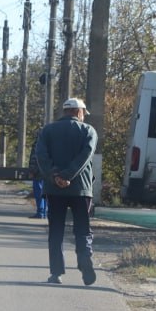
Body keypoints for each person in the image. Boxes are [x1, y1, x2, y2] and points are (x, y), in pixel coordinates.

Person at [35, 97, 98, 286]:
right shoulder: (88, 131)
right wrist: (69, 175)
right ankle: (85, 260)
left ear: (64, 112)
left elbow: (41, 156)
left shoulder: (47, 130)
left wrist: (56, 176)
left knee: (56, 231)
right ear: (79, 112)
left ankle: (56, 273)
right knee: (82, 229)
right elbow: (86, 155)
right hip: (81, 189)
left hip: (55, 189)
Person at [27, 133, 47, 219]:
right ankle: (45, 212)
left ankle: (40, 212)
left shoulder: (38, 144)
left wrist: (32, 171)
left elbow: (34, 158)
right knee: (46, 193)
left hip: (38, 173)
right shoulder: (51, 143)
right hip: (47, 173)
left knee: (39, 193)